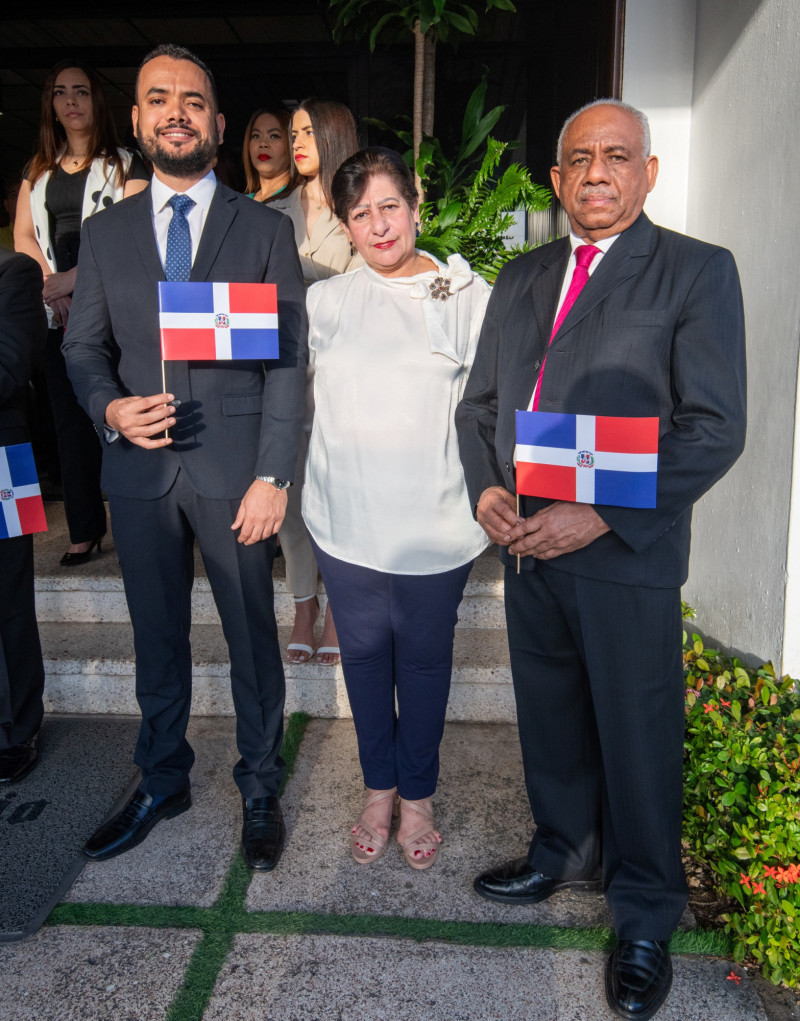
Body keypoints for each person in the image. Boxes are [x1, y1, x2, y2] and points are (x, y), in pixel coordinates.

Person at [456, 100, 746, 1019]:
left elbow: (714, 429)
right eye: (577, 158)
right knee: (550, 715)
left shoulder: (697, 272)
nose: (595, 173)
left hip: (623, 552)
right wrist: (486, 488)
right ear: (555, 179)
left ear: (648, 172)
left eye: (616, 157)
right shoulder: (522, 274)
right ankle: (563, 850)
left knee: (636, 730)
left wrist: (602, 511)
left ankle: (648, 910)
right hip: (527, 545)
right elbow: (481, 407)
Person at [62, 44, 308, 871]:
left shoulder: (266, 230)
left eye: (194, 101)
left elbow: (288, 362)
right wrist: (108, 408)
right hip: (138, 472)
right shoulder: (104, 233)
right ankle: (163, 776)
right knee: (156, 637)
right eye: (159, 99)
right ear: (135, 120)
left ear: (217, 122)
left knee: (251, 636)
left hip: (236, 473)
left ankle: (261, 781)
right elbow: (84, 350)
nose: (177, 112)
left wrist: (274, 474)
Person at [302, 147, 490, 869]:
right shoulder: (326, 301)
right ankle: (377, 788)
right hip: (346, 519)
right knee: (364, 659)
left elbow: (493, 407)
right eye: (360, 213)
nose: (378, 225)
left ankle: (419, 797)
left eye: (388, 206)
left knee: (423, 662)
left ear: (416, 205)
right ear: (346, 227)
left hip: (437, 520)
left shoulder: (470, 295)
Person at [14, 60, 149, 566]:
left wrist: (76, 281)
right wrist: (52, 287)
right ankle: (84, 529)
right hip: (56, 313)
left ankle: (139, 520)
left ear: (98, 101)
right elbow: (26, 237)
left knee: (123, 416)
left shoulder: (127, 165)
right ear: (50, 103)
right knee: (70, 424)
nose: (72, 102)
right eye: (62, 93)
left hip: (114, 309)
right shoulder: (37, 171)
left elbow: (131, 234)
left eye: (83, 92)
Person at [270, 98, 361, 667]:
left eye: (308, 130)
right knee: (292, 493)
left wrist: (300, 274)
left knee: (340, 491)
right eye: (293, 131)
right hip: (284, 372)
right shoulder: (271, 210)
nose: (297, 140)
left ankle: (343, 608)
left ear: (334, 135)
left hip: (344, 372)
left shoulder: (362, 203)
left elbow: (369, 284)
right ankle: (304, 605)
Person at [0, 249, 48, 784]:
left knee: (7, 601)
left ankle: (16, 727)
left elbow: (9, 369)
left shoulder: (13, 273)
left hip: (2, 463)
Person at [242, 106, 296, 205]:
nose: (263, 143)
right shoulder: (241, 202)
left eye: (274, 136)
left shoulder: (301, 200)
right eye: (256, 136)